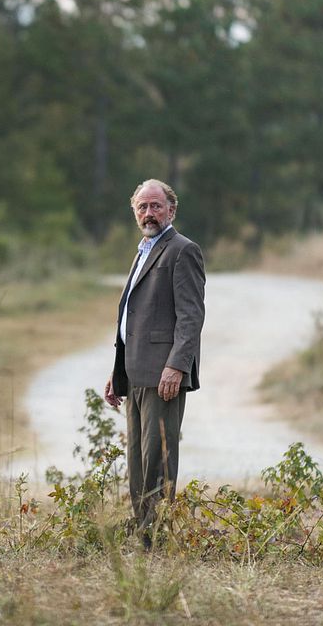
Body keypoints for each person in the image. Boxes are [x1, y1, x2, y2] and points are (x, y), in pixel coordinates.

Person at [104, 179, 205, 543]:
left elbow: (191, 316)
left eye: (156, 206)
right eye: (142, 207)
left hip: (164, 373)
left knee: (158, 458)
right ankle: (143, 533)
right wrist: (117, 372)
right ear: (135, 212)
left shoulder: (182, 250)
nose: (149, 213)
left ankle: (157, 535)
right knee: (137, 460)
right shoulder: (144, 250)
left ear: (171, 210)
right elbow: (133, 318)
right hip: (135, 372)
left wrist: (176, 365)